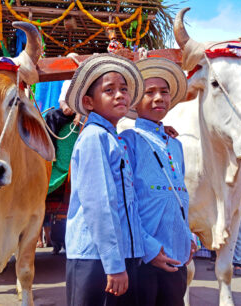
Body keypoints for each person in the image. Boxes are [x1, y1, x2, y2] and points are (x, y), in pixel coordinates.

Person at [64, 53, 146, 306]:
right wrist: (114, 265)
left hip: (116, 258)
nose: (120, 95)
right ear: (88, 101)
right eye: (109, 90)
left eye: (124, 89)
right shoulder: (94, 138)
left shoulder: (113, 138)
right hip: (96, 260)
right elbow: (99, 206)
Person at [121, 57, 196, 306]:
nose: (159, 98)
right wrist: (150, 249)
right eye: (149, 92)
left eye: (164, 92)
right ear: (134, 101)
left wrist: (190, 238)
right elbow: (125, 205)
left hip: (176, 258)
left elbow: (180, 196)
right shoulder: (128, 141)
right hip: (145, 259)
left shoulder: (175, 143)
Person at [232, 194, 241, 276]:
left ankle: (238, 264)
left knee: (239, 234)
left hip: (240, 202)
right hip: (224, 201)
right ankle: (220, 260)